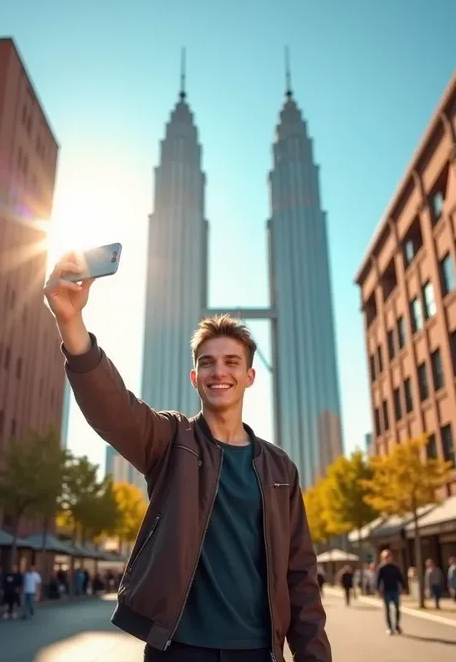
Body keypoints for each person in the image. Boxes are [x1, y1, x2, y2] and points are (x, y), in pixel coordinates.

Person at [43, 254, 331, 662]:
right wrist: (70, 322)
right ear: (194, 377)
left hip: (258, 652)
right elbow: (113, 409)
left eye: (232, 362)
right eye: (207, 363)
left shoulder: (280, 467)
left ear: (249, 376)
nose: (219, 372)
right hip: (179, 650)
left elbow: (300, 575)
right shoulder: (171, 441)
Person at [376, 550, 404, 635]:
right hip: (386, 591)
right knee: (387, 610)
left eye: (389, 556)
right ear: (383, 558)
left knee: (397, 609)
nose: (388, 558)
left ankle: (397, 625)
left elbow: (400, 578)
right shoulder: (381, 568)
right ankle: (389, 627)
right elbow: (378, 580)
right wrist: (378, 591)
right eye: (386, 557)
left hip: (395, 590)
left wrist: (403, 587)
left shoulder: (395, 567)